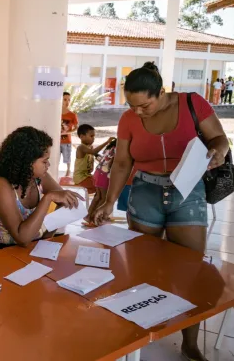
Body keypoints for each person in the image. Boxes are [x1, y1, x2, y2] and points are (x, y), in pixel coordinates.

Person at [92, 61, 229, 361]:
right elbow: (122, 163)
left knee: (192, 269)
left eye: (144, 105)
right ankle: (141, 333)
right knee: (142, 268)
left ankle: (190, 342)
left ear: (161, 92)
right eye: (132, 105)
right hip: (144, 191)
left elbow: (219, 139)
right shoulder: (128, 119)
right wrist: (108, 201)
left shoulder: (193, 103)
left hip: (187, 189)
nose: (138, 112)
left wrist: (218, 152)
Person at [0, 127, 83, 253]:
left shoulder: (39, 178)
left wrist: (46, 237)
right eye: (45, 161)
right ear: (27, 161)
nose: (48, 165)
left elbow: (66, 202)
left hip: (32, 247)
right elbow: (22, 238)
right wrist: (48, 198)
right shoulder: (0, 185)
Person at [73, 124, 114, 195]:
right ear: (82, 137)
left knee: (103, 183)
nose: (93, 138)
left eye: (94, 136)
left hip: (87, 176)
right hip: (80, 178)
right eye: (91, 136)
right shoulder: (81, 148)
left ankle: (96, 200)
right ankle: (94, 199)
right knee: (101, 186)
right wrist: (107, 142)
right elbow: (94, 152)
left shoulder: (90, 147)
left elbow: (97, 156)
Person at [84, 138, 117, 226]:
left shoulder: (109, 148)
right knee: (104, 198)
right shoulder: (118, 150)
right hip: (104, 175)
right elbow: (111, 164)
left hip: (97, 173)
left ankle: (88, 216)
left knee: (97, 196)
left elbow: (102, 159)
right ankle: (96, 217)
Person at [60, 92, 78, 177]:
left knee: (67, 158)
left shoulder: (72, 115)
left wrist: (67, 132)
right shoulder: (56, 113)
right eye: (65, 99)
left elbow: (76, 127)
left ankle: (68, 172)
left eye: (69, 100)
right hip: (56, 141)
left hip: (66, 140)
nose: (67, 102)